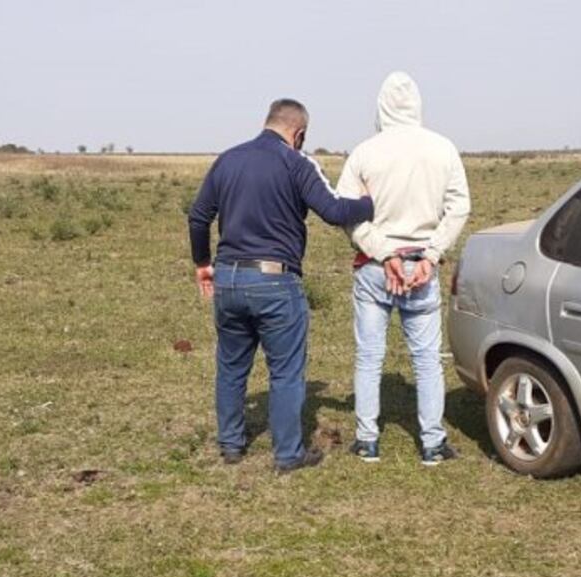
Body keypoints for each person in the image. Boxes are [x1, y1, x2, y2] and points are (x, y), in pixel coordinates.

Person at [188, 99, 374, 474]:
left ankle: (231, 445)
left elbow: (198, 215)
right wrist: (369, 204)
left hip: (228, 278)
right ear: (298, 133)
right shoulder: (297, 162)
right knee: (286, 370)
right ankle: (288, 454)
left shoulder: (228, 159)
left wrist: (202, 263)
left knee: (230, 365)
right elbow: (335, 211)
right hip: (276, 279)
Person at [336, 72, 471, 465]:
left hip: (375, 269)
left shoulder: (364, 152)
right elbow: (459, 207)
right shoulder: (443, 149)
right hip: (421, 269)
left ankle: (367, 440)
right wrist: (430, 255)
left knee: (369, 356)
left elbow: (347, 213)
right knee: (427, 360)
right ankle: (432, 443)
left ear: (380, 107)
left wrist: (384, 253)